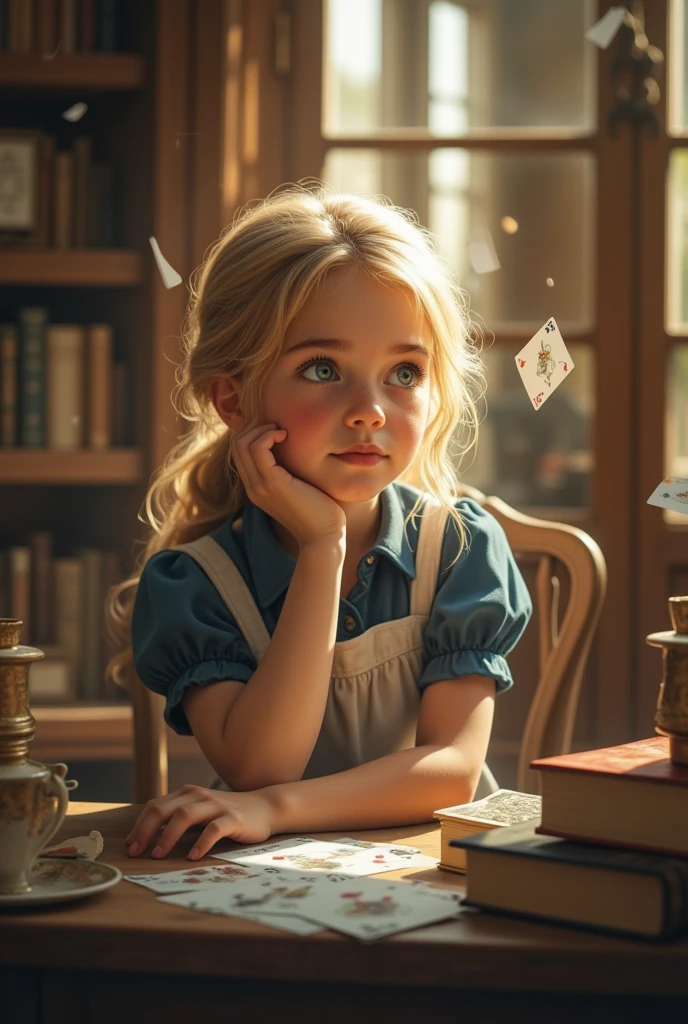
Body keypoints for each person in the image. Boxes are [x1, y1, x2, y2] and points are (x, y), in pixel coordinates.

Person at [107, 183, 532, 863]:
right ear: (233, 399)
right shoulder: (196, 582)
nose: (369, 409)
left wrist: (275, 811)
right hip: (257, 881)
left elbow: (452, 769)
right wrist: (322, 547)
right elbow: (259, 767)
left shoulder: (459, 549)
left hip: (430, 873)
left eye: (404, 372)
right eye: (323, 368)